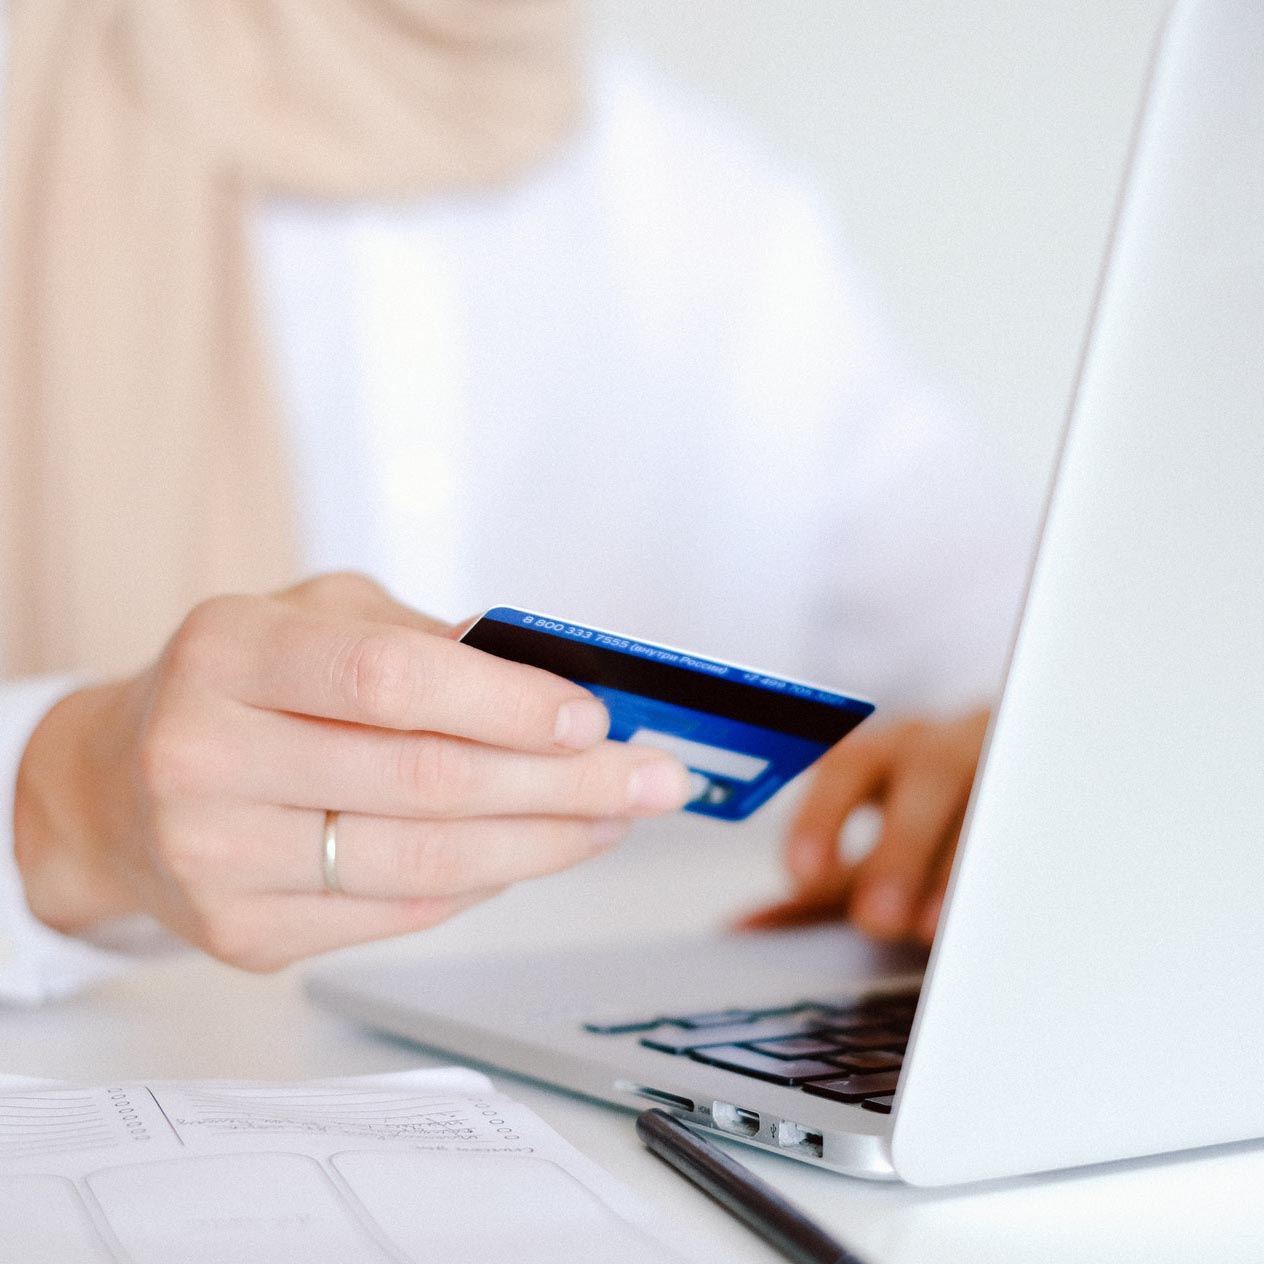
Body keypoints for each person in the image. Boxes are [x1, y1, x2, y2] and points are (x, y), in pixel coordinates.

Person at [0, 2, 1033, 1006]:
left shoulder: (725, 210)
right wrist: (63, 808)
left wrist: (1015, 754)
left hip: (621, 1119)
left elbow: (1013, 629)